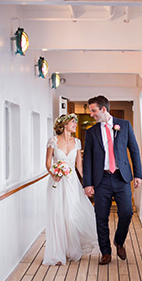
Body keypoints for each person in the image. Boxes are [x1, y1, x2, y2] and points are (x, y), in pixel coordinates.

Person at [83, 95, 142, 265]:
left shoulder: (124, 125)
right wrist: (88, 184)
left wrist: (137, 174)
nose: (92, 114)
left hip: (121, 178)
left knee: (127, 212)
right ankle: (105, 252)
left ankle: (119, 241)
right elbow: (87, 159)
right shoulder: (91, 132)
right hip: (101, 179)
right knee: (101, 216)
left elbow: (134, 150)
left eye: (94, 111)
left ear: (103, 109)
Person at [43, 113, 98, 266]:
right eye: (73, 122)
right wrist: (54, 173)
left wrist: (88, 182)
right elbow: (48, 163)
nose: (75, 124)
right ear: (64, 124)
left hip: (72, 182)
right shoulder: (52, 141)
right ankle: (57, 254)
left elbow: (79, 166)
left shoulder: (77, 142)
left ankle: (72, 250)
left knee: (71, 216)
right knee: (58, 216)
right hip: (57, 182)